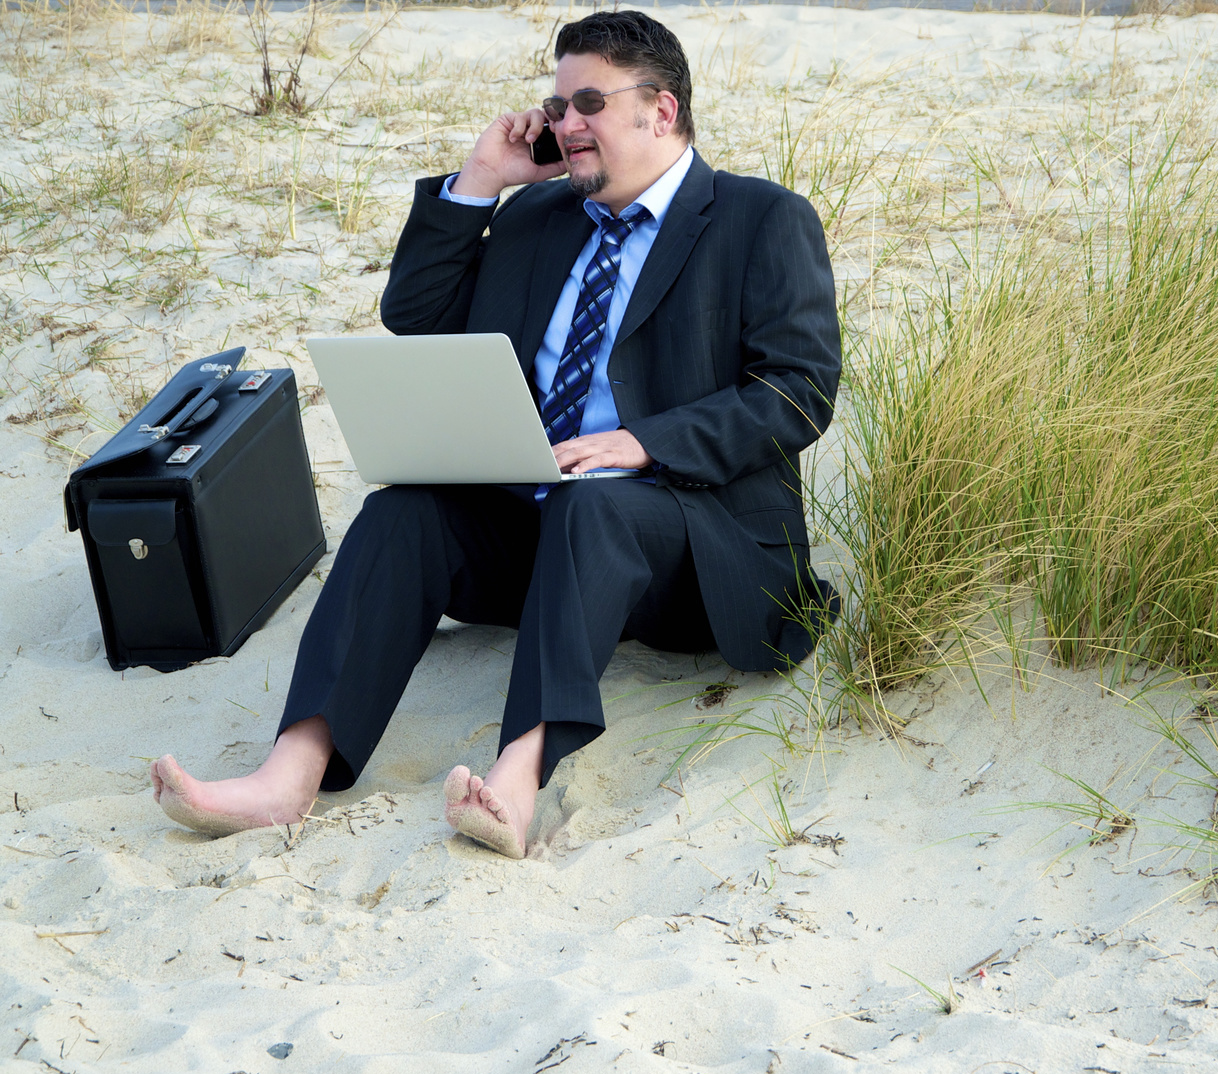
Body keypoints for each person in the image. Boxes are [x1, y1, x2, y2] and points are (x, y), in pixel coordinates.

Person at [149, 11, 840, 858]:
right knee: (403, 512)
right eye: (556, 106)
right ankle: (289, 776)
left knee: (600, 508)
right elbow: (417, 315)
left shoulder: (760, 220)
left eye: (587, 102)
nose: (564, 124)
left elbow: (799, 391)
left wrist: (645, 443)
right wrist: (482, 177)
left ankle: (516, 776)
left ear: (660, 111)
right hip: (540, 540)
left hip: (687, 545)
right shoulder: (536, 214)